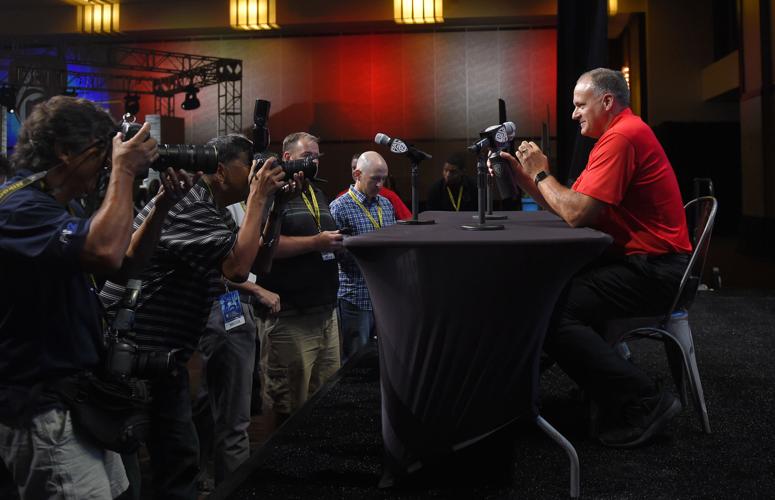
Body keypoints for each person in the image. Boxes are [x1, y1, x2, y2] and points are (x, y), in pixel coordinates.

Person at [0, 95, 185, 499]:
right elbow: (104, 250)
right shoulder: (17, 209)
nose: (105, 164)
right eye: (100, 153)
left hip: (75, 401)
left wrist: (160, 206)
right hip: (42, 409)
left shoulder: (56, 206)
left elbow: (121, 263)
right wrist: (123, 170)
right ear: (65, 152)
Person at [500, 68, 692, 448]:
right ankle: (598, 387)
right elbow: (569, 203)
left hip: (658, 271)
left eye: (579, 105)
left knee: (554, 314)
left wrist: (541, 174)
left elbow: (574, 214)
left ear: (606, 101)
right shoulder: (614, 136)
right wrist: (526, 177)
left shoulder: (622, 137)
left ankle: (643, 399)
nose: (573, 114)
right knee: (552, 297)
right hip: (644, 262)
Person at [100, 134, 291, 500]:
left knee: (177, 461)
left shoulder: (211, 209)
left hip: (157, 356)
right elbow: (237, 268)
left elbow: (258, 264)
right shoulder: (191, 207)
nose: (255, 174)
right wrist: (258, 198)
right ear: (219, 171)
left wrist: (276, 208)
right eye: (247, 166)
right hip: (132, 355)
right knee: (135, 474)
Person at [192, 200, 281, 491]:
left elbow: (260, 262)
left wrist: (277, 207)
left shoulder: (247, 205)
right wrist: (255, 288)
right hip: (214, 306)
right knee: (217, 415)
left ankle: (221, 482)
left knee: (225, 412)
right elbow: (226, 269)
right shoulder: (206, 206)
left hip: (233, 306)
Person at [255, 132, 342, 426]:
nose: (315, 162)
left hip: (325, 315)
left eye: (317, 157)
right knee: (289, 410)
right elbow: (264, 248)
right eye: (309, 156)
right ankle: (284, 470)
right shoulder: (271, 194)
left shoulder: (316, 192)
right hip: (291, 319)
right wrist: (316, 243)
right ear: (288, 158)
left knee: (324, 404)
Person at [329, 151, 396, 360]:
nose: (380, 185)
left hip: (384, 296)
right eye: (375, 179)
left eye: (383, 179)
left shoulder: (385, 204)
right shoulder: (339, 207)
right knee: (356, 363)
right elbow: (333, 254)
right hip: (356, 297)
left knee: (384, 358)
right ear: (357, 174)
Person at [337, 153, 411, 220]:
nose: (356, 171)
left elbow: (408, 220)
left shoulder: (388, 198)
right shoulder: (340, 202)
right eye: (354, 168)